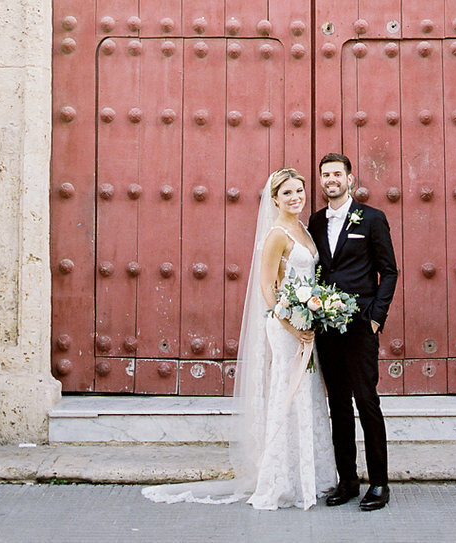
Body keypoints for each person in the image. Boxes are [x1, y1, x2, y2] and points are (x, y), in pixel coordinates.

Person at [141, 166, 336, 511]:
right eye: (287, 192)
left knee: (305, 394)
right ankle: (280, 477)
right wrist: (292, 324)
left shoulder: (304, 229)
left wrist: (315, 313)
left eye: (299, 191)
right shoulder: (277, 233)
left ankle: (309, 475)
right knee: (286, 393)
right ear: (274, 198)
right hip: (287, 326)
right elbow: (266, 286)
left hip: (306, 323)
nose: (295, 197)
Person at [308, 151, 398, 512]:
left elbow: (389, 270)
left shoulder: (372, 219)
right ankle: (348, 480)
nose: (331, 180)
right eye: (325, 175)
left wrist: (376, 316)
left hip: (361, 326)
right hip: (326, 329)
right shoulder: (315, 222)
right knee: (339, 406)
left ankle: (379, 483)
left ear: (350, 178)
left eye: (337, 174)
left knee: (367, 402)